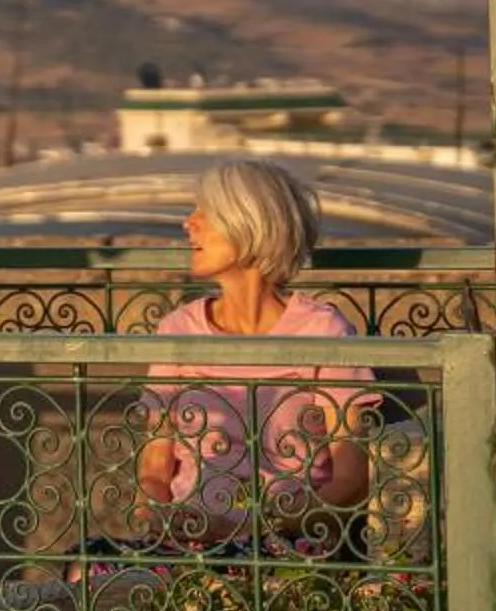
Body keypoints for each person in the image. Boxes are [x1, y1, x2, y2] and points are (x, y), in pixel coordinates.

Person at [133, 159, 377, 550]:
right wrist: (162, 519)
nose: (188, 223)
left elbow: (351, 477)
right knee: (83, 574)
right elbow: (154, 466)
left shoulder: (323, 331)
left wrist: (252, 530)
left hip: (288, 547)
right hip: (188, 545)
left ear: (250, 222)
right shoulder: (176, 329)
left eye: (205, 212)